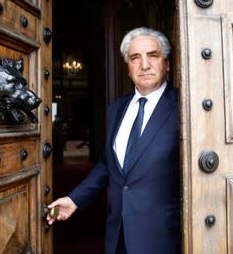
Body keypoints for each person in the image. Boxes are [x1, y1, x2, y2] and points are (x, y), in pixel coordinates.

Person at [47, 27, 181, 254]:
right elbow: (107, 166)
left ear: (167, 63)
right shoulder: (117, 108)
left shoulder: (183, 106)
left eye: (153, 55)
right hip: (117, 234)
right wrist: (74, 200)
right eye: (135, 58)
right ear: (128, 68)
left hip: (162, 237)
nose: (144, 65)